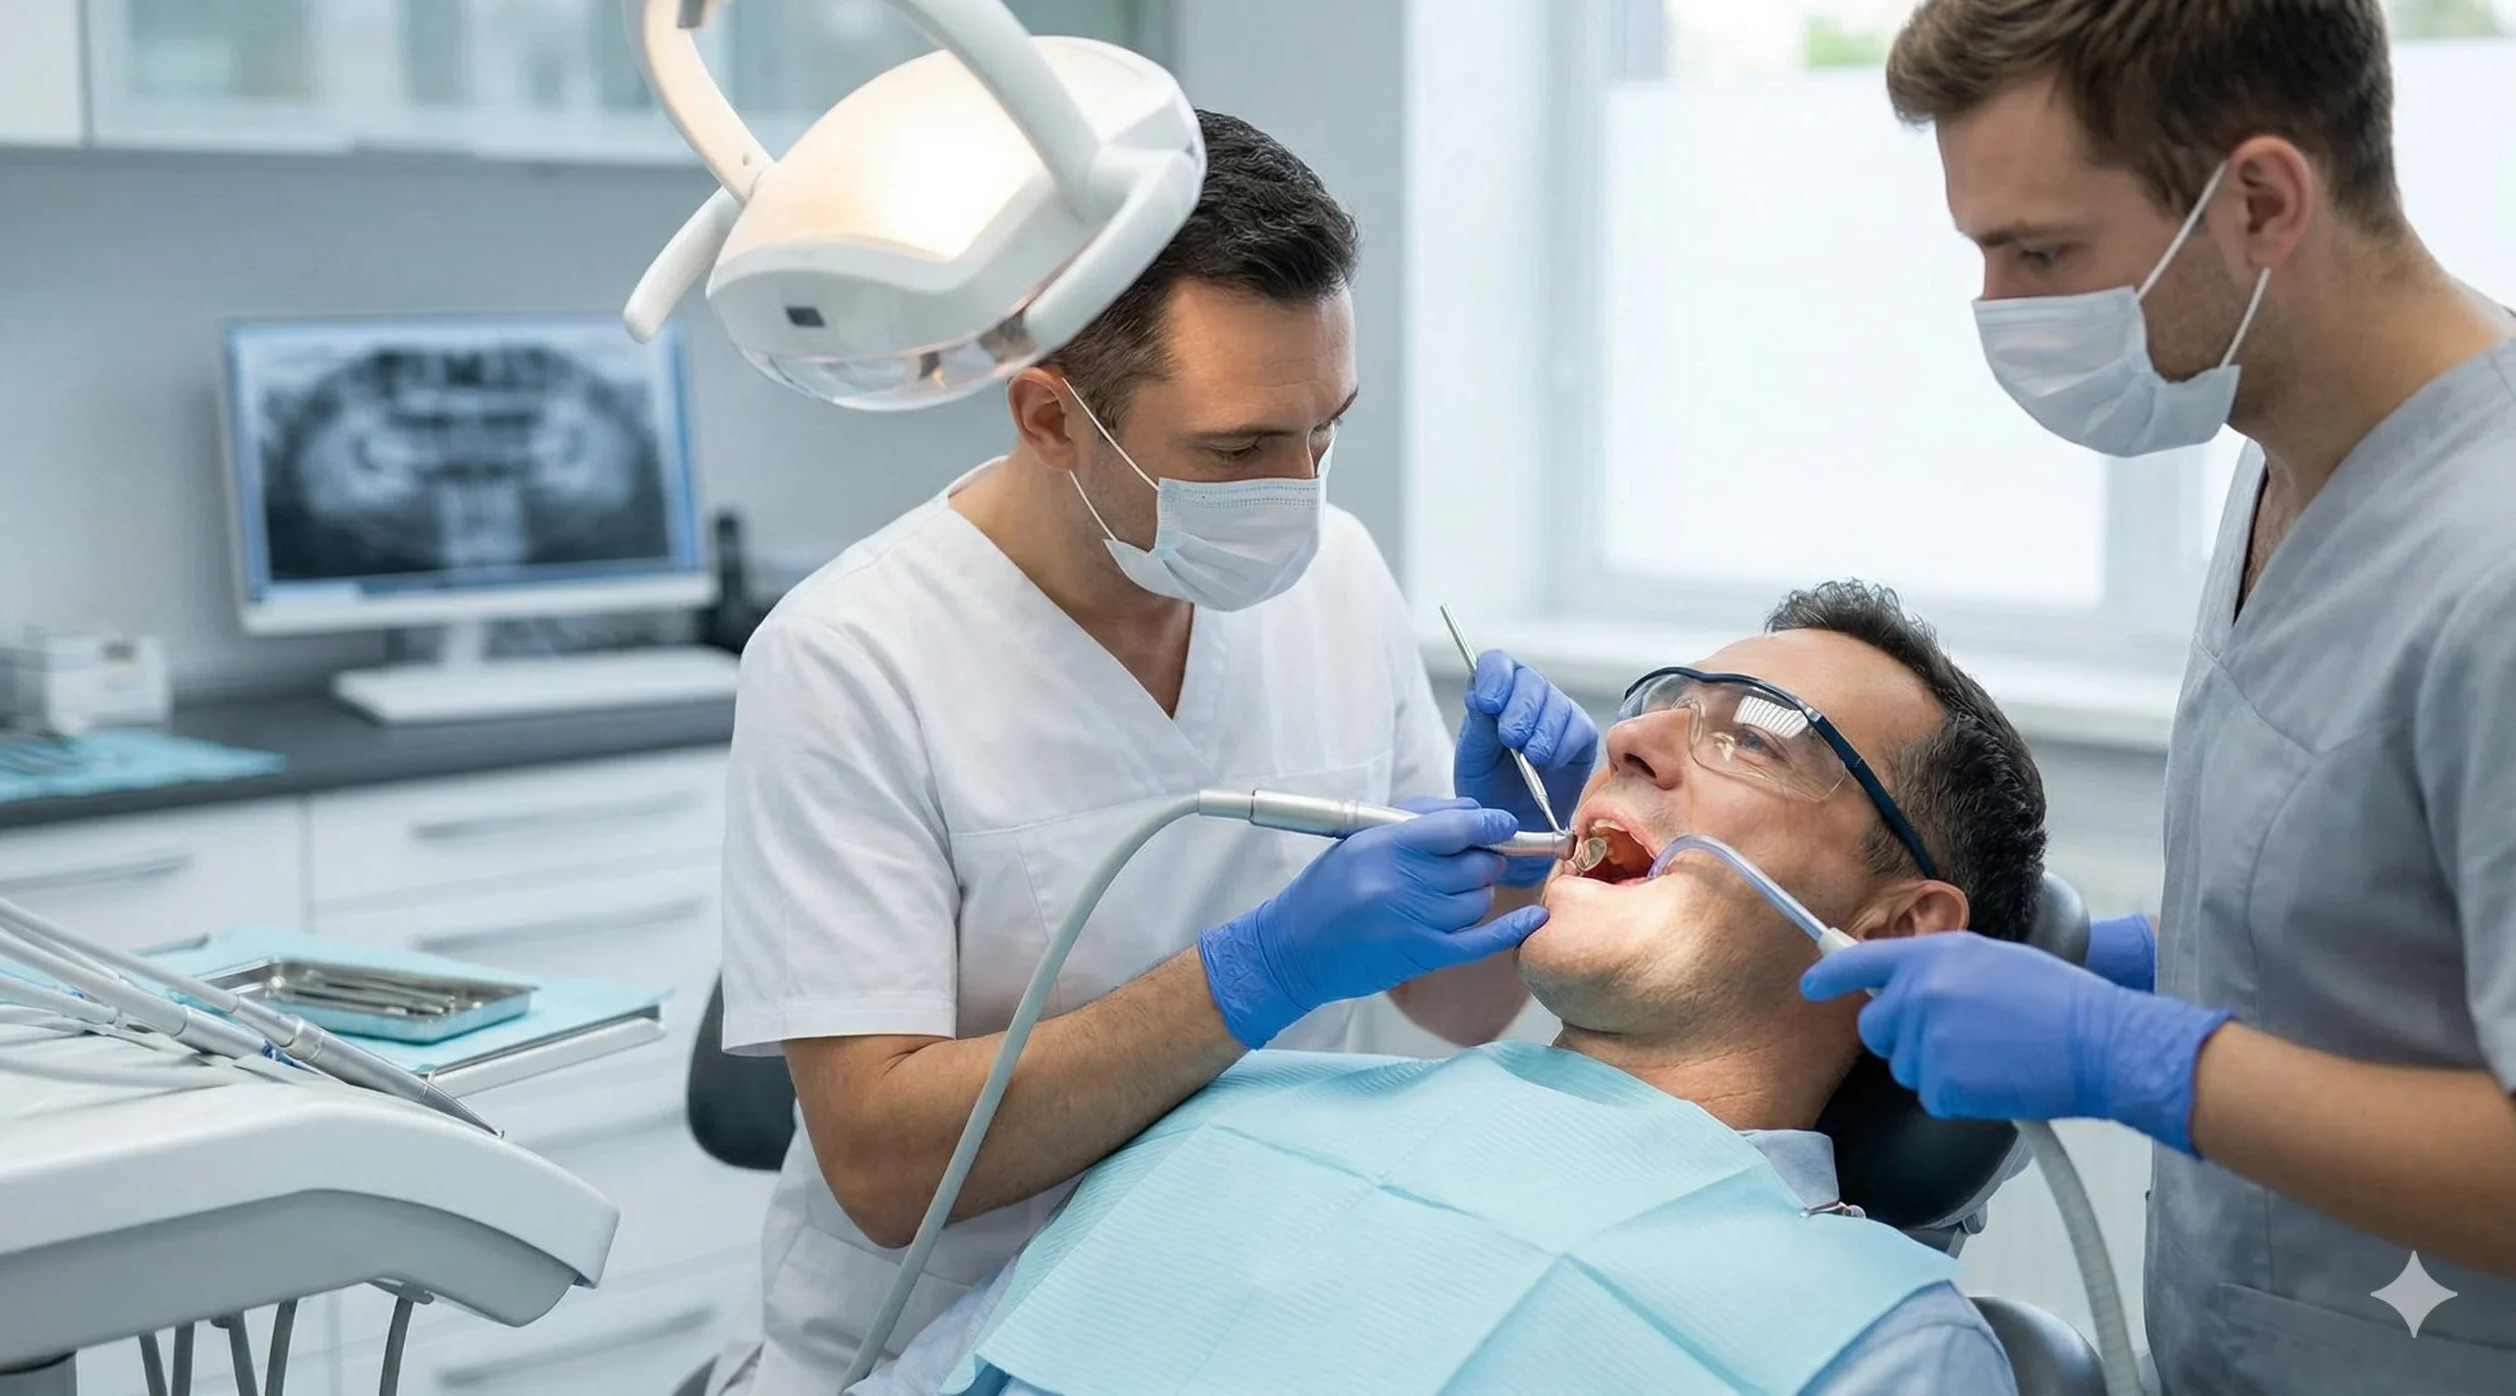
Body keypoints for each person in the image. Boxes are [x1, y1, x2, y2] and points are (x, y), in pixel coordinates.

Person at [710, 109, 1604, 1394]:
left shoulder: (1336, 575)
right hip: (947, 1339)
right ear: (1049, 417)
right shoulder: (851, 655)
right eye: (1237, 450)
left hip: (1255, 1311)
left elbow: (1454, 1011)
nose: (1297, 491)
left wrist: (1519, 865)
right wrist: (1253, 974)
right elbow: (886, 1171)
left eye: (1326, 431)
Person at [1799, 4, 2516, 1392]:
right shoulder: (2288, 448)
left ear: (2258, 200)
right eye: (1984, 254)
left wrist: (2136, 1058)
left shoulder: (2493, 562)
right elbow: (2373, 901)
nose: (2003, 313)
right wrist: (2126, 960)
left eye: (2046, 253)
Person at [851, 581, 2046, 1396]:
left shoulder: (1870, 1344)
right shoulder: (1232, 1115)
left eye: (1755, 737)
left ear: (1892, 929)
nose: (1629, 745)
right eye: (1659, 708)